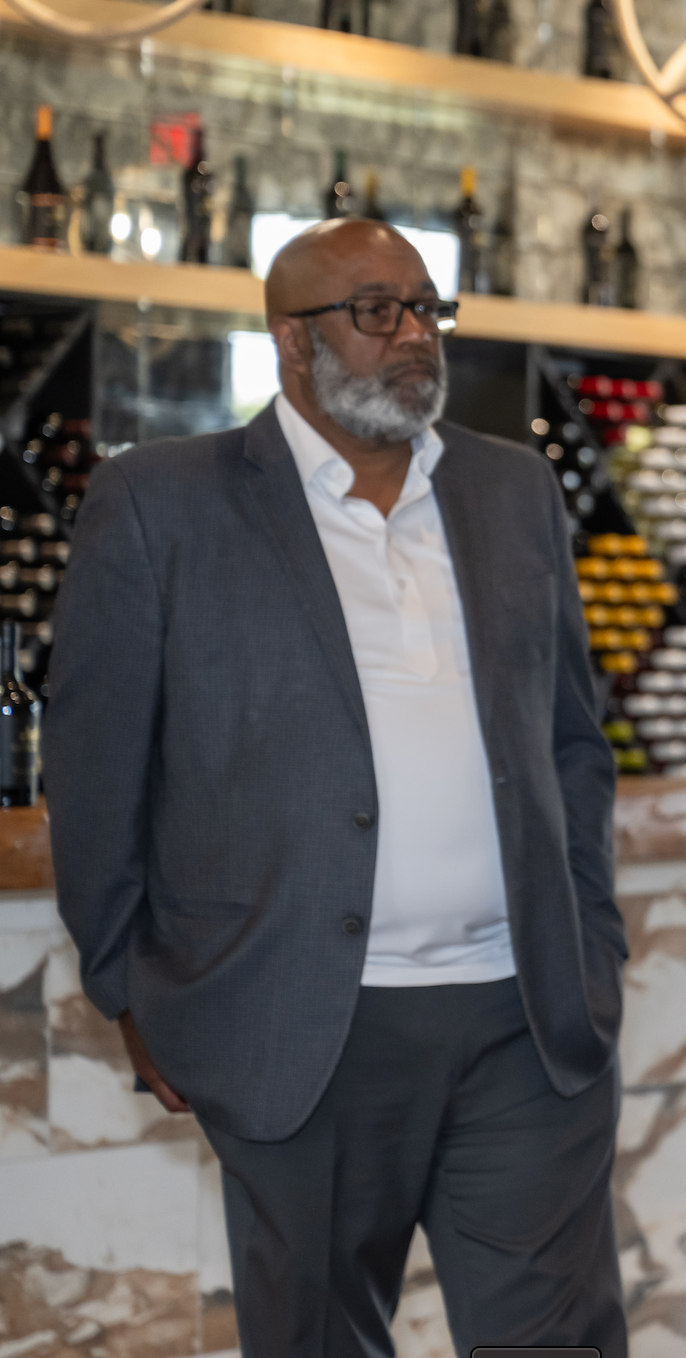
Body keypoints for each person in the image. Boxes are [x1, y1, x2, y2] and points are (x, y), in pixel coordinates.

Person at [46, 219, 626, 1356]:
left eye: (426, 308)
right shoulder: (161, 502)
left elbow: (573, 741)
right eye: (375, 310)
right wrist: (125, 986)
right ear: (289, 338)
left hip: (525, 1018)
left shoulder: (514, 489)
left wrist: (592, 937)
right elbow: (98, 764)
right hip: (301, 1025)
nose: (413, 334)